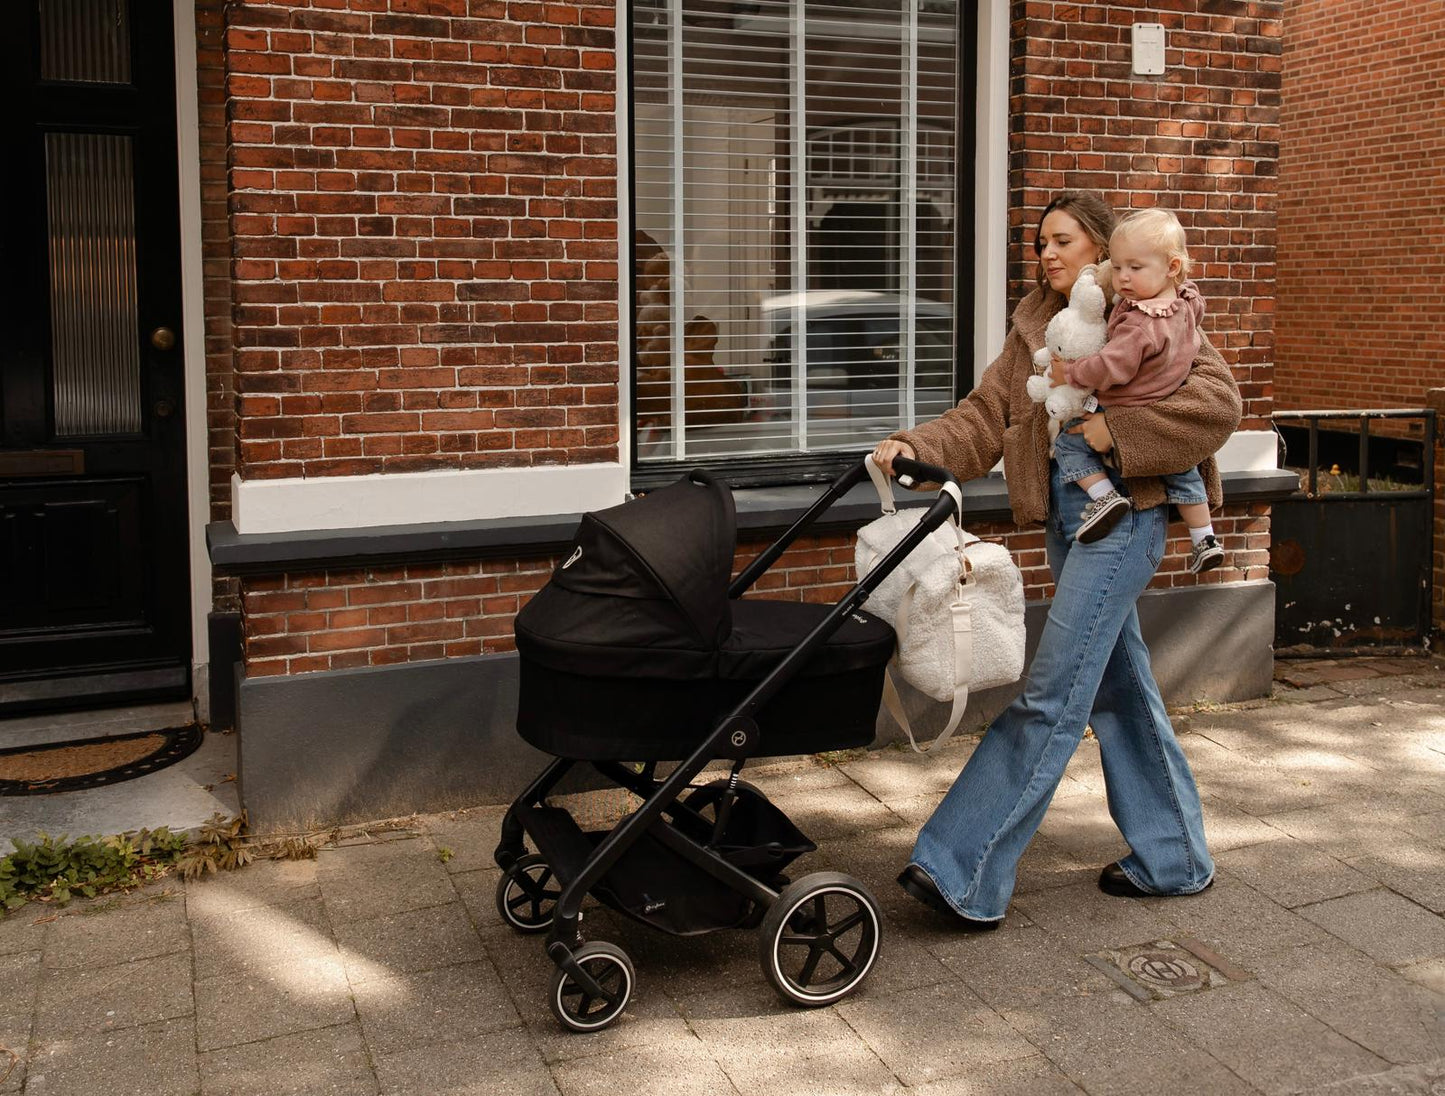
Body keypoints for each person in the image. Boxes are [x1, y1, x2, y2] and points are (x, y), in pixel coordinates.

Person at [872, 191, 1240, 929]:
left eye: (1061, 241)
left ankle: (961, 869)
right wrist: (917, 446)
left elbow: (1216, 406)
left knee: (1052, 693)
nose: (1043, 253)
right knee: (1119, 692)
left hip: (1126, 520)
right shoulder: (1036, 324)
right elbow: (984, 416)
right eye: (1039, 242)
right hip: (1070, 522)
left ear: (1100, 250)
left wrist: (1118, 435)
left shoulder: (1154, 311)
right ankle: (1174, 859)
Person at [1052, 208, 1224, 573]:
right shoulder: (1185, 305)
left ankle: (1104, 497)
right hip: (1159, 400)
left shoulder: (1139, 324)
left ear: (1172, 266)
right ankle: (1205, 538)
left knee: (1069, 442)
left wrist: (1069, 373)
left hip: (1124, 404)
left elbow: (1110, 366)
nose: (1122, 278)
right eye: (1116, 267)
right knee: (1184, 471)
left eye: (1134, 268)